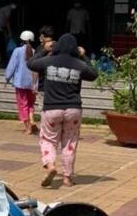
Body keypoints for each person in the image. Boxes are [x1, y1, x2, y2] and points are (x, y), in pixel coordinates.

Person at [27, 32, 98, 188]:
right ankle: (67, 178)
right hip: (73, 109)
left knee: (48, 140)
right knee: (69, 143)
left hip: (51, 109)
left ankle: (51, 166)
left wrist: (44, 50)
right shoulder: (79, 64)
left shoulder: (48, 61)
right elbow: (94, 75)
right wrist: (83, 56)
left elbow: (31, 64)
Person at [5, 30, 38, 134]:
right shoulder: (35, 52)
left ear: (21, 39)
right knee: (30, 104)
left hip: (20, 83)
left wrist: (7, 78)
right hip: (32, 83)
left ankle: (28, 128)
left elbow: (12, 66)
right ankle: (32, 120)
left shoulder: (17, 51)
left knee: (22, 105)